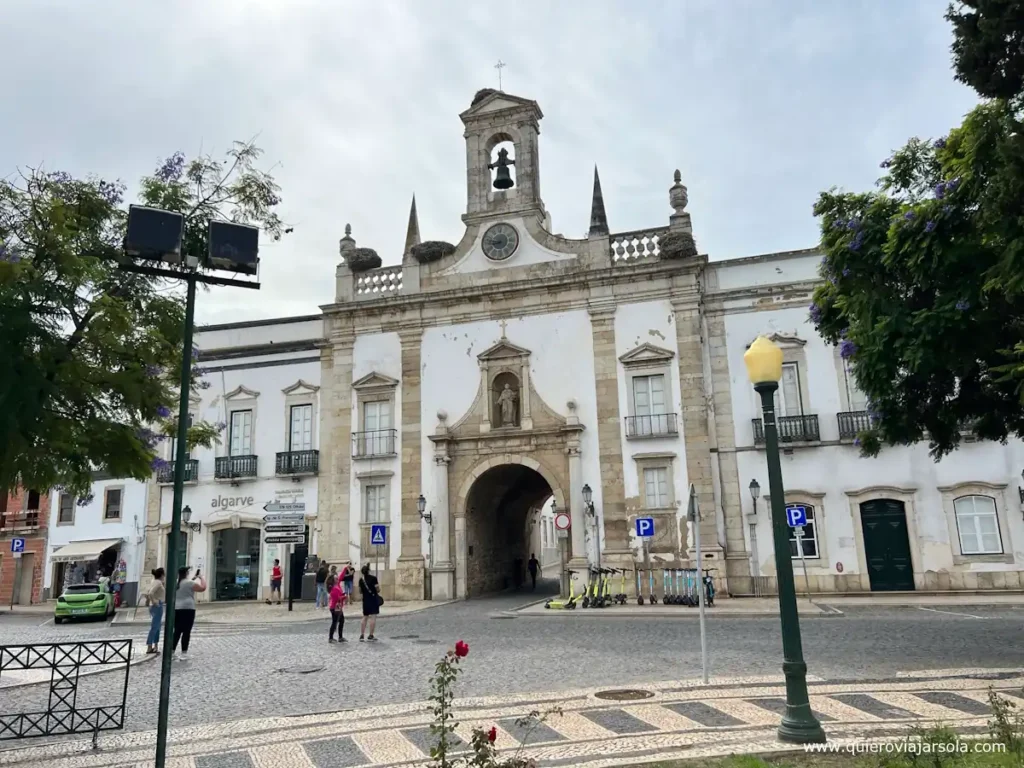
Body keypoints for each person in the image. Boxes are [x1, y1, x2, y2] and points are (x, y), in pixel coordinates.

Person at [172, 567, 206, 661]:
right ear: (186, 573)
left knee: (177, 631)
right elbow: (203, 588)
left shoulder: (177, 583)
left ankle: (172, 651)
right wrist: (201, 577)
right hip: (188, 608)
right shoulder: (189, 583)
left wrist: (194, 578)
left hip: (177, 608)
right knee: (186, 631)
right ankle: (184, 653)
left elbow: (186, 585)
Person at [143, 568, 166, 654]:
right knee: (155, 627)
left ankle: (155, 646)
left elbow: (148, 592)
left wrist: (149, 602)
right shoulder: (159, 582)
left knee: (157, 626)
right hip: (157, 605)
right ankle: (149, 646)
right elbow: (151, 593)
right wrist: (154, 601)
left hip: (153, 606)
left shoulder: (153, 581)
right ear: (162, 575)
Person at [358, 564, 380, 642]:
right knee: (373, 617)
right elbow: (378, 589)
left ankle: (362, 635)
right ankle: (371, 635)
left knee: (365, 617)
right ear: (369, 570)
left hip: (365, 600)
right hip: (373, 599)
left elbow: (360, 591)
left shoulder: (361, 580)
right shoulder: (374, 578)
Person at [328, 577, 346, 643]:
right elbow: (337, 599)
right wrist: (344, 597)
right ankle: (331, 638)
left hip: (338, 607)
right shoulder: (334, 588)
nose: (337, 579)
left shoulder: (336, 587)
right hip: (335, 607)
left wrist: (343, 595)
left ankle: (340, 637)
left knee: (341, 621)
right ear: (333, 581)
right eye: (336, 579)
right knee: (334, 622)